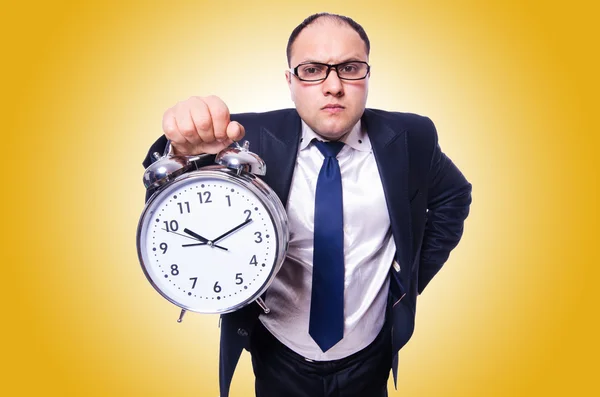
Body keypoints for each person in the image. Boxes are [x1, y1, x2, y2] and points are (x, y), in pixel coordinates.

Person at [143, 12, 472, 397]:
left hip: (369, 354)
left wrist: (405, 283)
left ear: (367, 76)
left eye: (349, 68)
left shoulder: (411, 137)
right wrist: (179, 149)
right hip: (278, 353)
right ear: (291, 81)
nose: (333, 86)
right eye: (313, 69)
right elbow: (169, 208)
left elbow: (453, 197)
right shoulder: (244, 140)